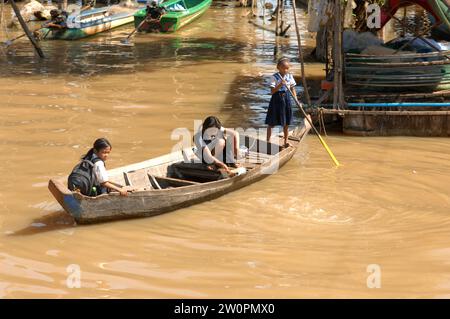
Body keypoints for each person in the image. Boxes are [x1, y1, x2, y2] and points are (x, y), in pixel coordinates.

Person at [265, 57, 297, 148]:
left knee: (286, 122)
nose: (285, 70)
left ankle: (286, 141)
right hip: (276, 100)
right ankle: (268, 141)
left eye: (287, 68)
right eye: (283, 68)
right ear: (278, 67)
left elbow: (292, 88)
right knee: (271, 122)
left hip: (286, 99)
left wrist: (296, 99)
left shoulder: (289, 76)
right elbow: (272, 91)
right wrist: (280, 85)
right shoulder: (274, 77)